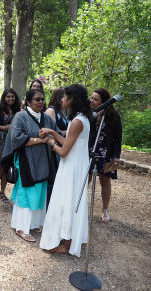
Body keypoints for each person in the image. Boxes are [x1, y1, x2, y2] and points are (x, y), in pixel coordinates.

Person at [39, 84, 92, 256]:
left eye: (64, 97)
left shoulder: (77, 122)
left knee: (66, 202)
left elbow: (63, 151)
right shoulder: (82, 118)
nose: (61, 99)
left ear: (72, 99)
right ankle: (68, 238)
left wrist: (50, 142)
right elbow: (69, 141)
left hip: (71, 168)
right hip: (75, 165)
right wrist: (53, 132)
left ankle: (66, 243)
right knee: (69, 202)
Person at [1, 89, 59, 242]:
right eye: (37, 99)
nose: (41, 102)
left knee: (40, 192)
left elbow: (56, 133)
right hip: (26, 161)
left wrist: (51, 136)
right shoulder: (20, 117)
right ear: (28, 102)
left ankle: (34, 223)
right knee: (26, 192)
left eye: (42, 99)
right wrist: (41, 140)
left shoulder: (47, 118)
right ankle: (21, 227)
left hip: (43, 160)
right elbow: (16, 138)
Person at [89, 88, 122, 223]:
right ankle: (80, 208)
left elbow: (118, 137)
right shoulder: (90, 114)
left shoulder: (113, 116)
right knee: (86, 178)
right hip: (90, 150)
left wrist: (116, 156)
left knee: (105, 181)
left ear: (104, 102)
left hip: (106, 151)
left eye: (95, 99)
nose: (92, 101)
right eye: (92, 98)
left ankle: (105, 209)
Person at [0, 88, 20, 201]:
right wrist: (4, 127)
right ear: (4, 98)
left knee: (7, 167)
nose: (10, 99)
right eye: (8, 97)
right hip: (0, 141)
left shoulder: (17, 110)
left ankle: (2, 192)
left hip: (12, 141)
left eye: (12, 96)